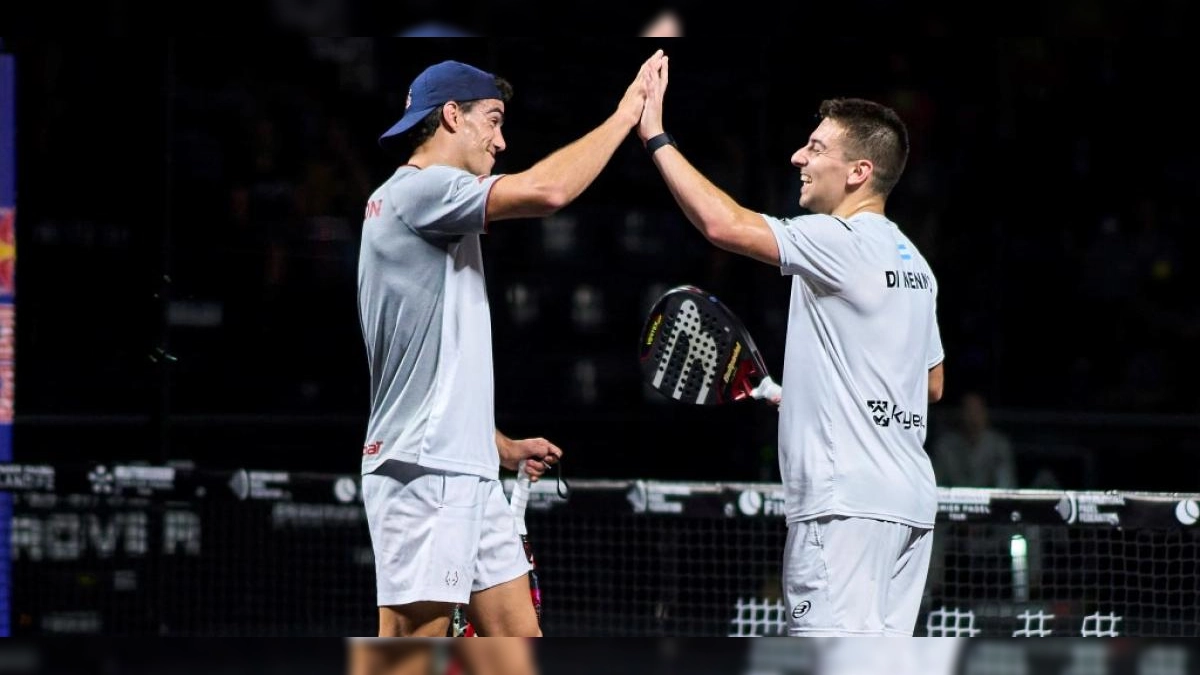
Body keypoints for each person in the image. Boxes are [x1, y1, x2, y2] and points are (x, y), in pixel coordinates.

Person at [354, 50, 662, 652]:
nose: (501, 140)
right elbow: (548, 192)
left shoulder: (425, 208)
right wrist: (628, 115)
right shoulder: (422, 190)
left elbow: (427, 365)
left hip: (460, 464)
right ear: (451, 117)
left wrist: (493, 444)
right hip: (422, 471)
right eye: (492, 120)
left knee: (516, 647)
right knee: (408, 653)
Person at [638, 57, 944, 636]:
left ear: (857, 171)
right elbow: (931, 383)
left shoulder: (838, 239)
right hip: (908, 506)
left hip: (842, 507)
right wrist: (814, 394)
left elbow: (722, 225)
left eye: (815, 147)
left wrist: (655, 136)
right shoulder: (915, 263)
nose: (798, 158)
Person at [932, 391, 1017, 488]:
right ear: (960, 414)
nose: (973, 417)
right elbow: (936, 484)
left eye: (977, 411)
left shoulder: (999, 446)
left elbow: (1005, 486)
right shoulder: (944, 447)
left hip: (990, 501)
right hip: (953, 501)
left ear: (985, 414)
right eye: (968, 410)